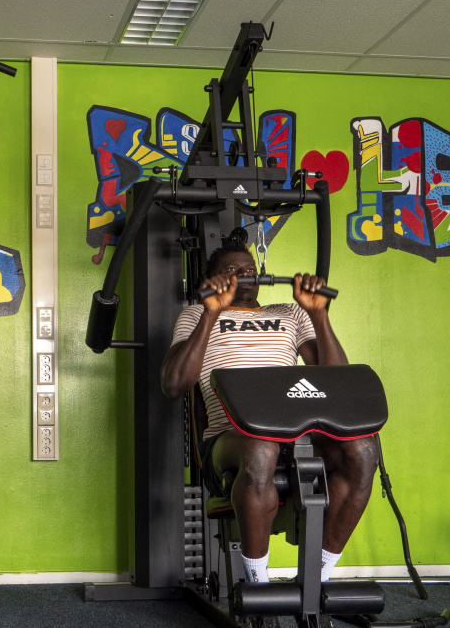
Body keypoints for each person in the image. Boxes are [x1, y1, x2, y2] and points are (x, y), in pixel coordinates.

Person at [160, 233, 378, 583]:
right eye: (232, 269)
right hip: (231, 438)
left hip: (298, 433)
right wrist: (210, 313)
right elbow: (173, 385)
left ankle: (315, 576)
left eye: (250, 268)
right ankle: (257, 582)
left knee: (364, 450)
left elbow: (340, 384)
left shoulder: (290, 313)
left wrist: (318, 315)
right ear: (211, 280)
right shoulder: (196, 315)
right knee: (261, 449)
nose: (245, 273)